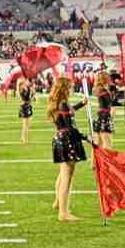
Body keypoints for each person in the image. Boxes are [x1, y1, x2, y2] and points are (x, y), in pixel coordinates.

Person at [48, 77, 88, 222]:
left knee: (62, 174)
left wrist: (81, 105)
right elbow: (71, 127)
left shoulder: (60, 103)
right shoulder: (63, 104)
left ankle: (59, 203)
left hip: (61, 138)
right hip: (67, 140)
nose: (72, 88)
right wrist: (87, 138)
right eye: (70, 86)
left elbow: (69, 112)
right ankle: (63, 213)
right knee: (67, 177)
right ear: (65, 88)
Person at [91, 70, 115, 149]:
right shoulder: (103, 90)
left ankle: (95, 161)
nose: (110, 79)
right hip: (104, 116)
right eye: (108, 77)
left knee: (97, 144)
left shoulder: (98, 89)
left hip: (98, 116)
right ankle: (106, 161)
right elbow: (110, 104)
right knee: (107, 143)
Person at [17, 76, 34, 145]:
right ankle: (23, 138)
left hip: (29, 106)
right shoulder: (21, 89)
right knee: (25, 124)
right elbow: (23, 98)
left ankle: (25, 137)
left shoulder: (28, 88)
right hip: (24, 107)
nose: (28, 82)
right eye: (26, 81)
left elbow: (31, 98)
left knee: (28, 124)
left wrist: (32, 92)